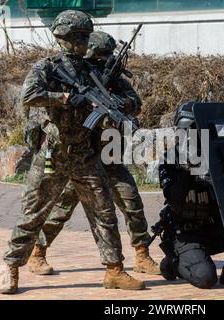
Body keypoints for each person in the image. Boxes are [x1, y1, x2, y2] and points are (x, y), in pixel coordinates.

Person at [0, 10, 145, 294]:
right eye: (79, 36)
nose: (83, 41)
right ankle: (11, 267)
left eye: (86, 36)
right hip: (52, 154)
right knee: (34, 214)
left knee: (103, 212)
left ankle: (114, 270)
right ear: (64, 37)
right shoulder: (49, 67)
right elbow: (27, 96)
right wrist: (64, 98)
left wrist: (114, 104)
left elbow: (122, 98)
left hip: (84, 155)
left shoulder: (91, 70)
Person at [27, 31, 160, 277]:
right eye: (99, 56)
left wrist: (121, 103)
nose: (102, 61)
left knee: (132, 202)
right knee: (61, 209)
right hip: (80, 156)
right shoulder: (77, 75)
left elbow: (135, 102)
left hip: (107, 155)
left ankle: (142, 255)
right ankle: (38, 253)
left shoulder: (114, 79)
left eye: (106, 57)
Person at [156, 102, 224, 289]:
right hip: (186, 232)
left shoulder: (217, 155)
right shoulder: (170, 158)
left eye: (196, 129)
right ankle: (173, 261)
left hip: (212, 227)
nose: (192, 135)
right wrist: (186, 171)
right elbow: (175, 200)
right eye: (189, 130)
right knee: (205, 278)